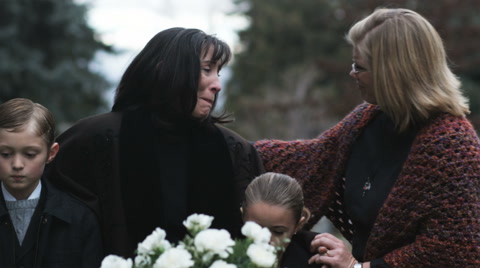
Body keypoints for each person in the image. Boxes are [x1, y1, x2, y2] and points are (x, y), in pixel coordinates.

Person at [254, 8, 480, 268]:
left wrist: (356, 267)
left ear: (392, 73)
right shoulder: (369, 118)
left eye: (359, 67)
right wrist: (228, 147)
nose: (352, 74)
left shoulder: (453, 146)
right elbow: (315, 158)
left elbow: (454, 251)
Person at [45, 27, 265, 258]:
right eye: (206, 69)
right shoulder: (96, 140)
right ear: (165, 70)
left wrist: (307, 242)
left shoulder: (235, 151)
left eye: (218, 73)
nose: (217, 85)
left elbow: (272, 228)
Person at [0, 98, 102, 267]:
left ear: (51, 153)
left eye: (30, 154)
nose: (17, 164)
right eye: (5, 154)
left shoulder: (79, 219)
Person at [241, 172, 322, 268]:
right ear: (243, 217)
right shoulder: (223, 252)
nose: (265, 239)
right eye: (256, 229)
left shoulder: (316, 257)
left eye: (278, 232)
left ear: (298, 226)